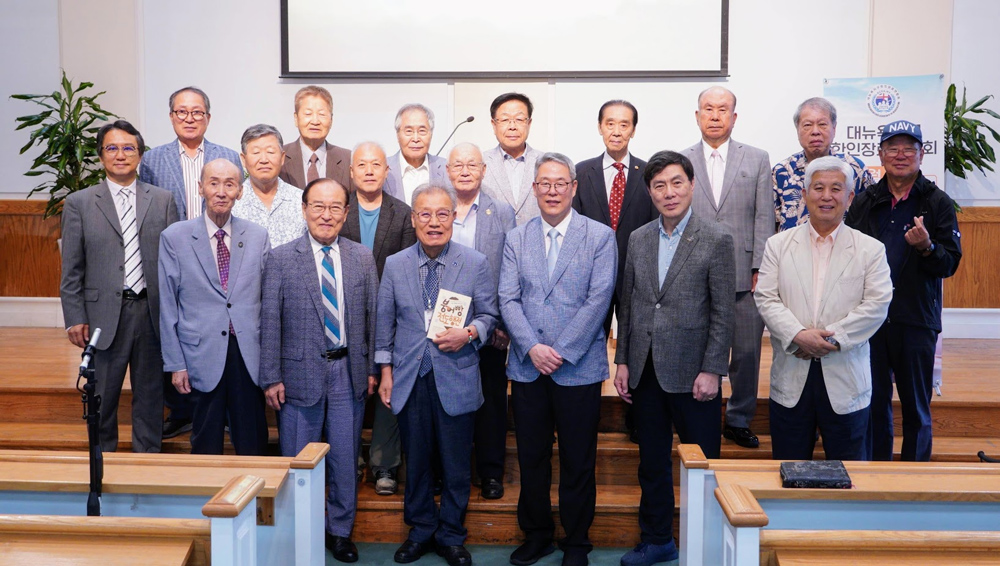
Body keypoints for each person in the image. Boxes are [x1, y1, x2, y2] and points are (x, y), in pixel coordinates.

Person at [613, 150, 735, 566]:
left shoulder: (716, 238)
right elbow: (629, 304)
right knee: (651, 463)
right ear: (650, 192)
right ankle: (657, 540)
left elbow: (723, 311)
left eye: (676, 183)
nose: (669, 192)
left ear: (691, 185)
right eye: (659, 185)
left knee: (703, 466)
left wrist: (713, 369)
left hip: (694, 373)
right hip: (645, 369)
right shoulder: (639, 238)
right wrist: (623, 361)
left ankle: (708, 543)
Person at [499, 153, 617, 566]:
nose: (552, 191)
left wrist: (562, 351)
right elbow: (507, 299)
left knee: (577, 459)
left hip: (578, 367)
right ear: (535, 189)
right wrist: (532, 347)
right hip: (527, 366)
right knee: (531, 457)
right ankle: (537, 535)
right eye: (545, 183)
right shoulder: (516, 238)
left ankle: (577, 541)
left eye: (560, 183)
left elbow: (599, 299)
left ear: (573, 187)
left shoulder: (599, 236)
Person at [375, 184, 499, 566]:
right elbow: (384, 323)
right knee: (417, 460)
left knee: (456, 463)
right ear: (414, 219)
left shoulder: (474, 262)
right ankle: (420, 530)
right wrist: (385, 372)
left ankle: (451, 535)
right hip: (410, 376)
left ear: (453, 218)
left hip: (456, 374)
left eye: (442, 214)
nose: (434, 222)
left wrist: (470, 333)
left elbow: (489, 315)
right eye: (425, 214)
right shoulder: (395, 264)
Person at [259, 178, 379, 563]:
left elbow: (372, 318)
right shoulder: (280, 258)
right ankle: (302, 530)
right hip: (297, 376)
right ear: (304, 209)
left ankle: (340, 531)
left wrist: (372, 369)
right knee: (299, 462)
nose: (326, 215)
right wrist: (270, 376)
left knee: (344, 458)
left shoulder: (362, 257)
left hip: (348, 372)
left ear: (346, 213)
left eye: (335, 207)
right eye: (318, 206)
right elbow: (269, 321)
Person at [758, 156, 893, 461]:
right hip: (792, 374)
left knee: (850, 475)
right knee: (789, 469)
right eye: (818, 188)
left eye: (836, 189)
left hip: (846, 378)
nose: (826, 196)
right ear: (804, 195)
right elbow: (766, 298)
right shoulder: (777, 245)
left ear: (850, 197)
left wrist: (829, 340)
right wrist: (798, 335)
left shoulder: (871, 250)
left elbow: (876, 305)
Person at [845, 120, 962, 461]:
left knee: (916, 409)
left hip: (916, 320)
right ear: (881, 154)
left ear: (922, 154)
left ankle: (916, 476)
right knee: (873, 404)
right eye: (892, 148)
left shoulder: (938, 202)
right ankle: (876, 476)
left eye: (909, 148)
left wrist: (927, 247)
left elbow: (949, 263)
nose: (900, 155)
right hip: (870, 321)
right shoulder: (865, 202)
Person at [60, 120, 178, 453]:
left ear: (140, 155)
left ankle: (146, 464)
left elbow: (174, 265)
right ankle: (102, 465)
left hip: (151, 312)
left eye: (129, 148)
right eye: (112, 148)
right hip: (102, 316)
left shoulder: (163, 200)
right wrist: (75, 317)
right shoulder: (80, 202)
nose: (121, 155)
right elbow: (71, 268)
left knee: (150, 397)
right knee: (102, 396)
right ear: (101, 156)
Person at [139, 86, 242, 440]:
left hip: (219, 256)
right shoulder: (153, 160)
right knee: (173, 325)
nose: (189, 118)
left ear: (208, 118)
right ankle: (180, 409)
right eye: (181, 112)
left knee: (217, 329)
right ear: (171, 117)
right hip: (174, 254)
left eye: (197, 112)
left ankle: (221, 408)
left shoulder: (227, 155)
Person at [158, 159, 270, 456]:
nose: (221, 191)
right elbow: (168, 306)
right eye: (214, 183)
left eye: (230, 184)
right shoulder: (175, 237)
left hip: (247, 352)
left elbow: (268, 302)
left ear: (240, 191)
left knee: (253, 441)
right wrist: (176, 364)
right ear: (201, 188)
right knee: (205, 442)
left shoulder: (257, 236)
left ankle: (256, 488)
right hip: (200, 353)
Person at [682, 86, 773, 449]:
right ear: (697, 116)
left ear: (734, 117)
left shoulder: (757, 158)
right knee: (696, 349)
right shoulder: (682, 160)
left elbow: (764, 216)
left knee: (747, 353)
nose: (715, 115)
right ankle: (697, 415)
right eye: (708, 109)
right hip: (695, 273)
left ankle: (738, 419)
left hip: (744, 274)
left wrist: (759, 266)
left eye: (723, 109)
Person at [339, 141, 416, 495]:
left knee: (389, 387)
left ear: (387, 171)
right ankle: (349, 458)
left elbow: (406, 268)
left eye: (376, 164)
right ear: (351, 172)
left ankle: (385, 464)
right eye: (362, 164)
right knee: (347, 388)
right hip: (343, 313)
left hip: (393, 314)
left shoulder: (402, 213)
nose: (369, 171)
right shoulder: (338, 208)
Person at [446, 142, 516, 500]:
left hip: (489, 323)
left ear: (484, 170)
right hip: (443, 322)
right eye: (458, 164)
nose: (465, 170)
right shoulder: (436, 206)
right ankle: (449, 470)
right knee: (447, 401)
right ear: (447, 171)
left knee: (491, 400)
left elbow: (510, 269)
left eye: (472, 164)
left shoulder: (501, 212)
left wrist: (502, 322)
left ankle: (490, 471)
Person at [573, 100, 657, 337]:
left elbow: (655, 228)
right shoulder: (581, 172)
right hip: (590, 276)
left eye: (624, 125)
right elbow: (574, 226)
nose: (617, 132)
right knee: (587, 340)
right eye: (610, 124)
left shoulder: (649, 173)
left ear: (633, 130)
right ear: (600, 127)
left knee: (635, 343)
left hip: (635, 277)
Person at [773, 97, 874, 231]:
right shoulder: (781, 172)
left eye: (822, 124)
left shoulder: (855, 168)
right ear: (797, 130)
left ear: (834, 128)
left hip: (845, 244)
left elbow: (872, 217)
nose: (815, 131)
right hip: (792, 244)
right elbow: (769, 223)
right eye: (807, 125)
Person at [232, 124, 306, 247]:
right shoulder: (232, 203)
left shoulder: (301, 200)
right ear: (243, 159)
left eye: (270, 152)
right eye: (256, 152)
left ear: (282, 158)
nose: (264, 160)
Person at [481, 92, 544, 225]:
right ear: (494, 124)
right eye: (505, 120)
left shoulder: (545, 162)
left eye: (519, 119)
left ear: (529, 123)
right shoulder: (480, 163)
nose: (512, 127)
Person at [279, 85, 353, 192]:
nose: (315, 121)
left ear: (331, 120)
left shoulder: (348, 159)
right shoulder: (279, 157)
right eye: (308, 114)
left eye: (322, 114)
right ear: (296, 118)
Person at [383, 103, 449, 204]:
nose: (415, 139)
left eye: (422, 131)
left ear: (431, 134)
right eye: (409, 131)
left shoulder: (447, 169)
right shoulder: (382, 169)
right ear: (398, 135)